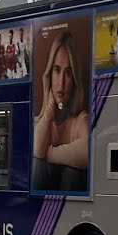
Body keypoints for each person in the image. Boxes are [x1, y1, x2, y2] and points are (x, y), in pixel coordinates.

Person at [33, 31, 89, 192]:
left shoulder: (79, 119)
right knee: (39, 166)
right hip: (43, 201)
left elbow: (88, 151)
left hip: (69, 206)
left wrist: (49, 153)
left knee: (74, 174)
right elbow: (37, 149)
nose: (61, 82)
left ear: (75, 80)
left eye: (68, 73)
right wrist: (48, 113)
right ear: (49, 75)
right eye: (57, 71)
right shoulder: (40, 121)